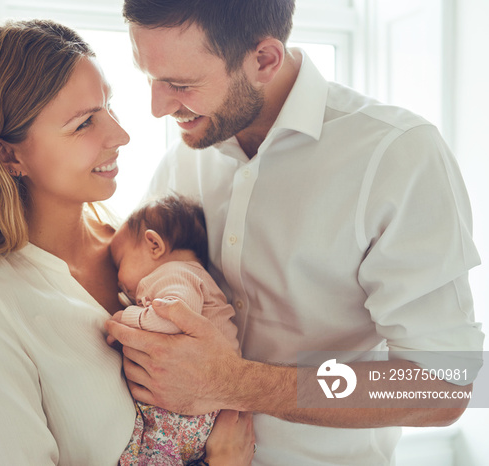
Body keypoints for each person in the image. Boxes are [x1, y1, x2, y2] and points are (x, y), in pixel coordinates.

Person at [105, 1, 485, 465]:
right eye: (150, 78)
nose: (157, 108)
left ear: (264, 60)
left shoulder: (396, 156)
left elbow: (443, 383)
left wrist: (234, 382)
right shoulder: (184, 156)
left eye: (181, 85)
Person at [0, 19, 255, 466]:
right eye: (84, 123)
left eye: (108, 108)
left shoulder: (143, 248)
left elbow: (376, 389)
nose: (120, 136)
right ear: (9, 154)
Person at [109, 194, 241, 464]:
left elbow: (171, 319)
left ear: (154, 244)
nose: (119, 284)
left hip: (191, 408)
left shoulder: (177, 274)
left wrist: (126, 318)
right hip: (198, 412)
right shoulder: (185, 276)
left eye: (120, 262)